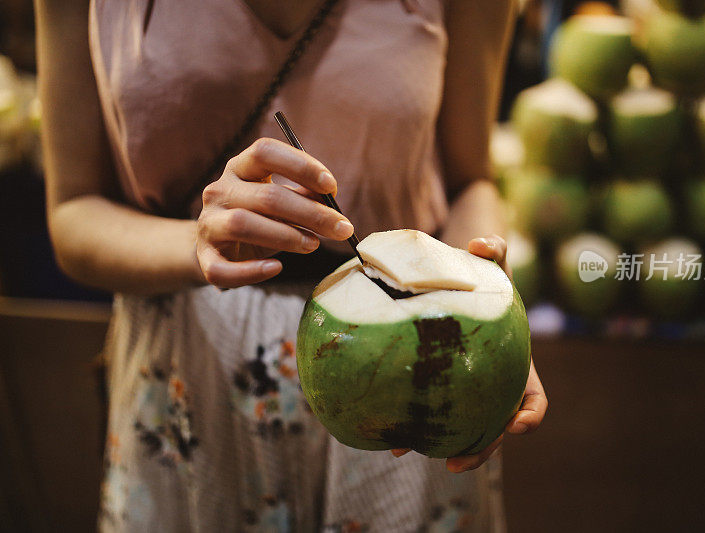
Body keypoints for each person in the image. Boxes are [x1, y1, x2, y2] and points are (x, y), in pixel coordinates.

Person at [36, 0, 547, 530]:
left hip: (423, 360)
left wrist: (484, 306)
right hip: (192, 381)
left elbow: (471, 180)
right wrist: (200, 242)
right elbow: (73, 212)